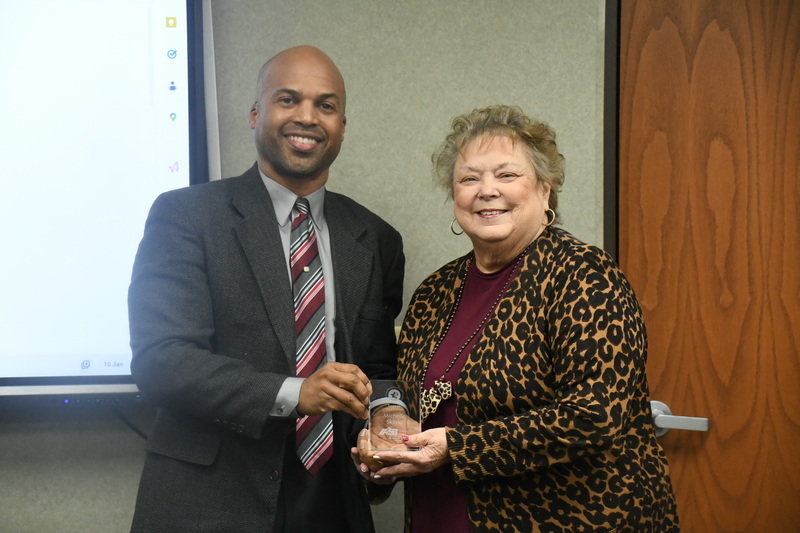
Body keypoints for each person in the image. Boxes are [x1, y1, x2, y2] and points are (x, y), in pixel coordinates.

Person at [356, 105, 679, 531]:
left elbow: (593, 417)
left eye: (506, 175)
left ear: (545, 189)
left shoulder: (584, 275)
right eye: (469, 179)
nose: (487, 190)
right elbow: (413, 402)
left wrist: (457, 447)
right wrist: (385, 444)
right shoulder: (434, 292)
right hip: (440, 516)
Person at [128, 45, 405, 533]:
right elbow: (162, 362)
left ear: (342, 125)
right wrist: (297, 393)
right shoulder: (186, 216)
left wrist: (386, 421)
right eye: (288, 99)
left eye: (325, 105)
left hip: (334, 499)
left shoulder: (376, 238)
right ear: (256, 113)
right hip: (211, 502)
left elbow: (378, 369)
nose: (307, 117)